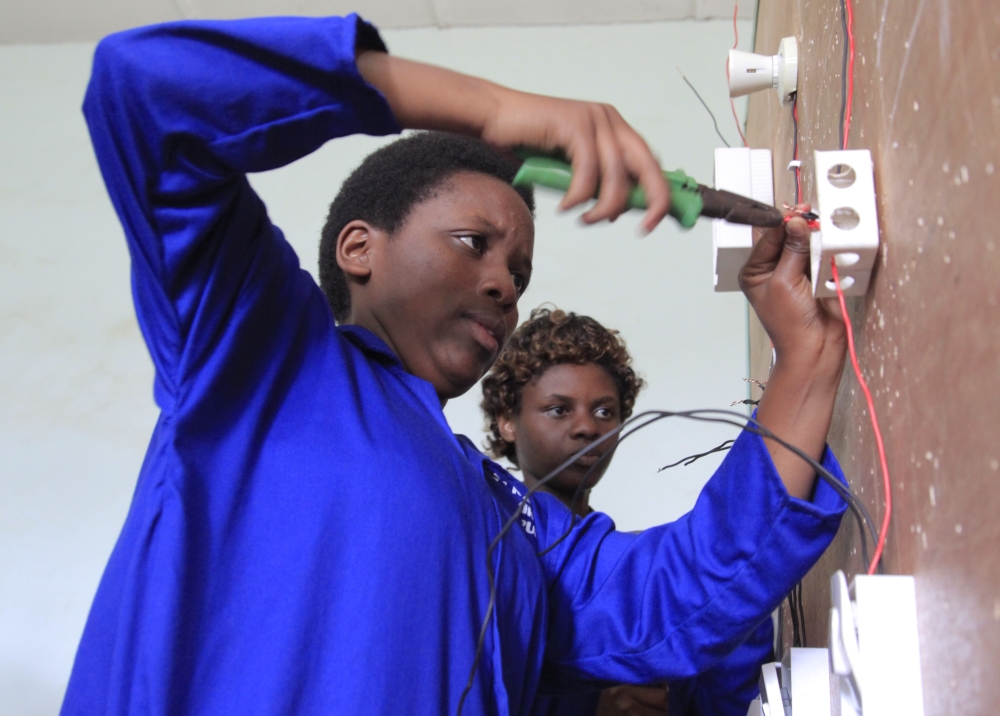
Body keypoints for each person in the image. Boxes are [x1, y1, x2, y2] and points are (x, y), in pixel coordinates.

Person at [65, 12, 849, 716]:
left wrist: (805, 358)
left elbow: (677, 596)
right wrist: (495, 111)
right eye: (475, 243)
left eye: (521, 273)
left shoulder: (514, 521)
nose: (505, 282)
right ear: (359, 249)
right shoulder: (264, 353)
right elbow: (147, 94)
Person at [480, 309, 775, 716]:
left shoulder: (638, 569)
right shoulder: (491, 548)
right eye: (558, 409)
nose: (587, 428)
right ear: (506, 421)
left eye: (604, 411)